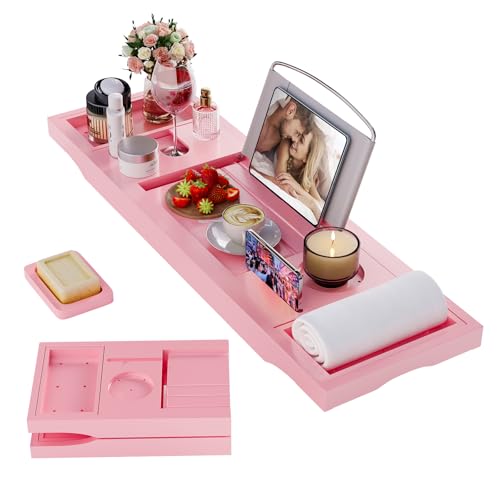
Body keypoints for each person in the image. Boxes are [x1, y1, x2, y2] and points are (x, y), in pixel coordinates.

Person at [273, 121, 328, 220]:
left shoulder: (309, 171)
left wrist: (297, 187)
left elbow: (317, 202)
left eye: (301, 140)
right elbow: (281, 176)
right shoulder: (287, 144)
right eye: (299, 135)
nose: (295, 140)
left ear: (307, 157)